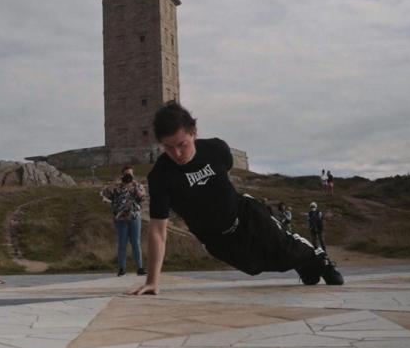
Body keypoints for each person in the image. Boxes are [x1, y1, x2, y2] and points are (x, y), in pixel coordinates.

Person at [131, 102, 342, 296]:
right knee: (256, 266)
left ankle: (318, 259)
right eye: (168, 147)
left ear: (194, 133)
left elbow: (225, 169)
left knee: (283, 245)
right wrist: (152, 281)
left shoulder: (216, 149)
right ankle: (304, 263)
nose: (176, 153)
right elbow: (158, 230)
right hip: (216, 239)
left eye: (181, 144)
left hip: (245, 215)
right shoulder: (160, 177)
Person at [100, 166, 147, 276]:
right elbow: (105, 195)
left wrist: (135, 187)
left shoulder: (138, 186)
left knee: (136, 242)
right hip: (120, 218)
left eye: (130, 174)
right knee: (122, 243)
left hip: (135, 217)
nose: (128, 176)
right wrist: (113, 184)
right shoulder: (117, 187)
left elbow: (142, 199)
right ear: (122, 175)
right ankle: (122, 268)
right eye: (126, 174)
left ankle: (140, 268)